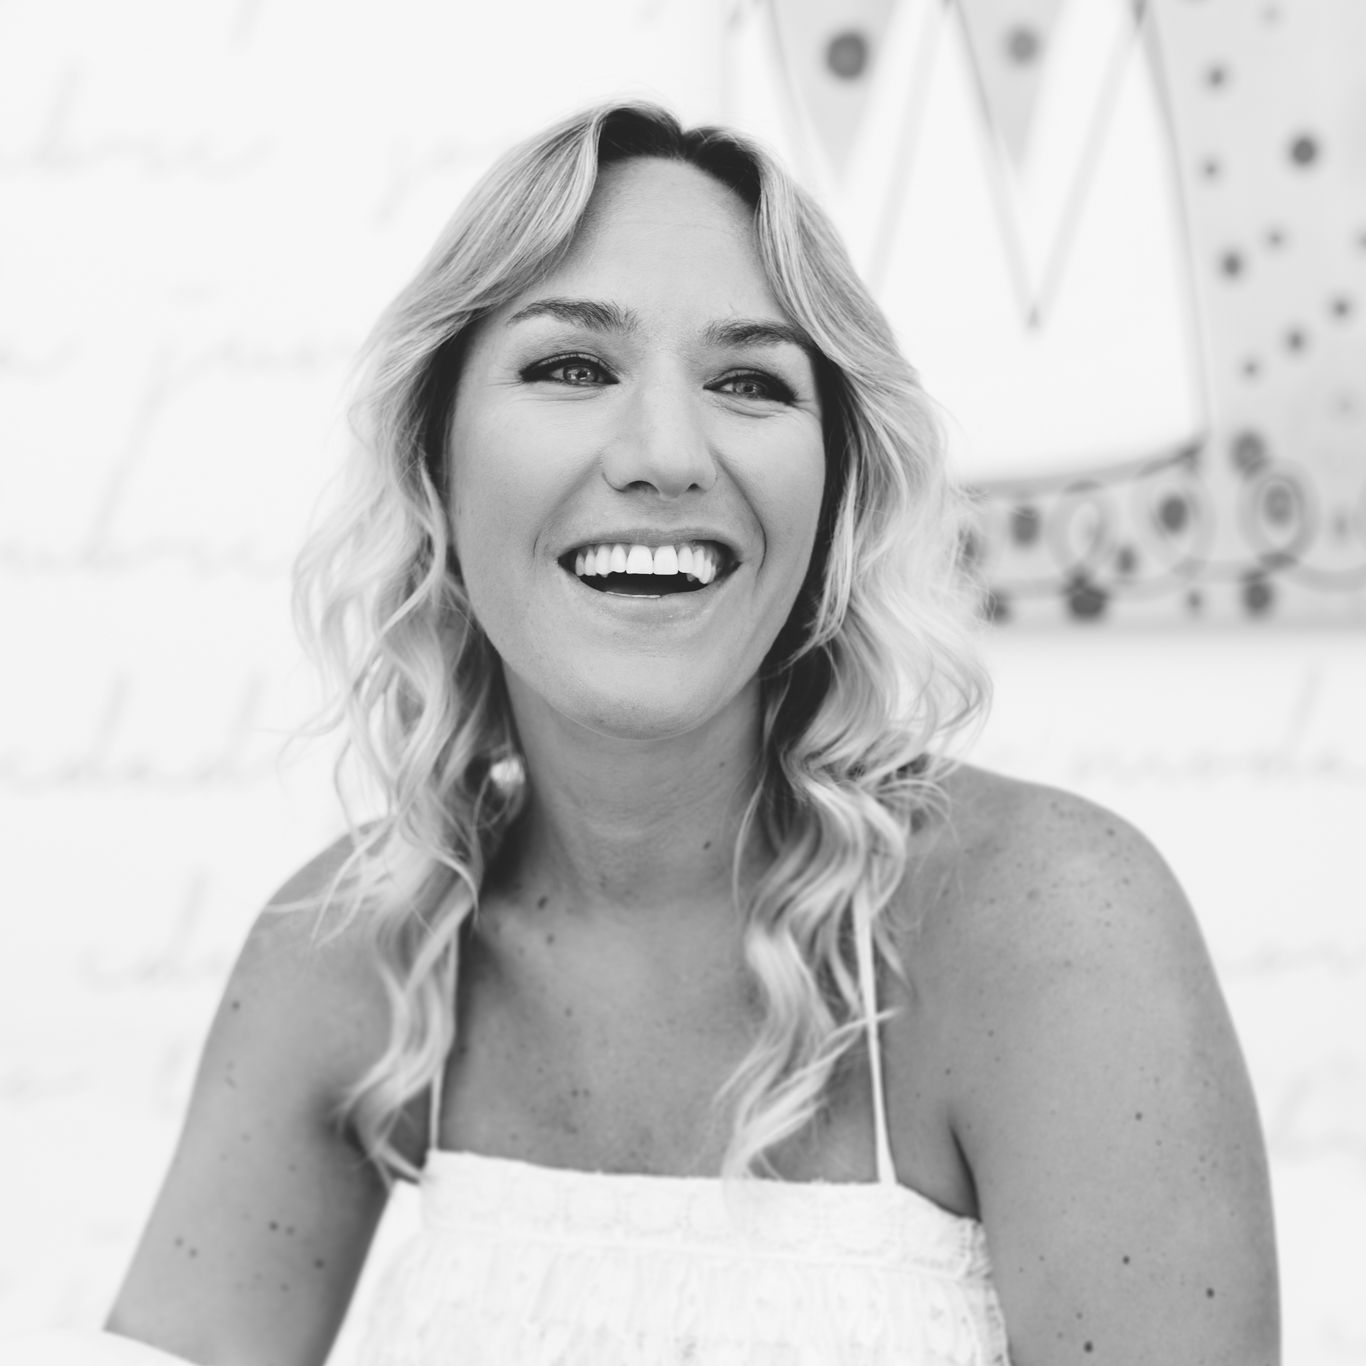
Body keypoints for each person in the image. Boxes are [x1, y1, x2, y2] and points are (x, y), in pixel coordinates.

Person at [48, 102, 1277, 1364]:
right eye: (573, 367)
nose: (665, 454)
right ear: (437, 460)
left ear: (834, 493)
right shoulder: (361, 948)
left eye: (749, 382)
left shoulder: (1050, 921)